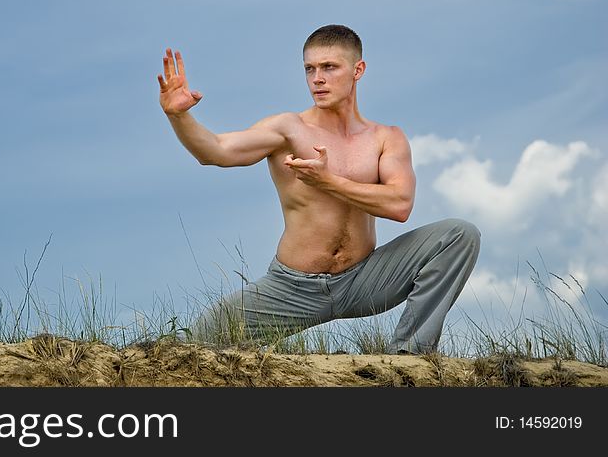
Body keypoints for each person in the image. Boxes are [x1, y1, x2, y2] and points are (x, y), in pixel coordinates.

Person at [157, 24, 479, 354]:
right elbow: (215, 151)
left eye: (329, 67)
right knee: (196, 345)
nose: (317, 79)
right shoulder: (288, 130)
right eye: (309, 69)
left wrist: (330, 183)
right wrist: (178, 117)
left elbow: (399, 205)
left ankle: (409, 356)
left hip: (364, 280)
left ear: (358, 70)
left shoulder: (385, 138)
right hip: (290, 288)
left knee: (458, 234)